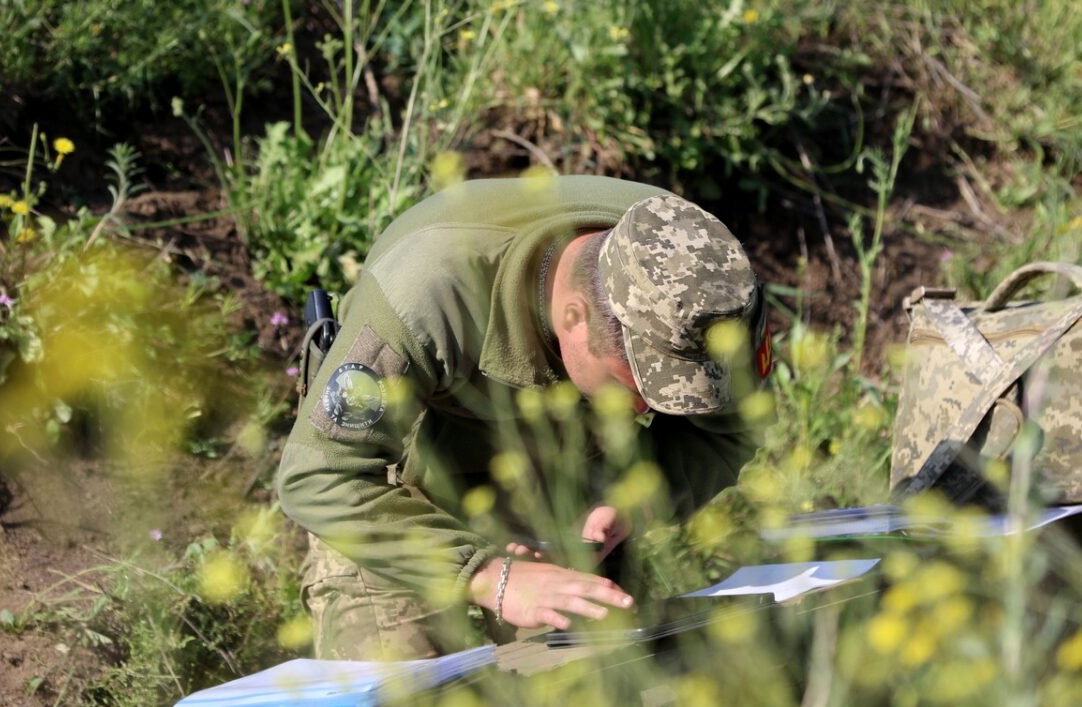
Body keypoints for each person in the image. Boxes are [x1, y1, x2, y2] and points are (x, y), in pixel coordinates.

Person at [276, 174, 771, 661]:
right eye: (630, 386)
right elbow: (320, 475)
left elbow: (730, 428)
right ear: (575, 318)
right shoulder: (425, 294)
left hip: (561, 477)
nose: (646, 411)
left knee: (598, 678)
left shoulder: (704, 275)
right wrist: (488, 575)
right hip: (395, 491)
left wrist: (636, 498)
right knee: (402, 697)